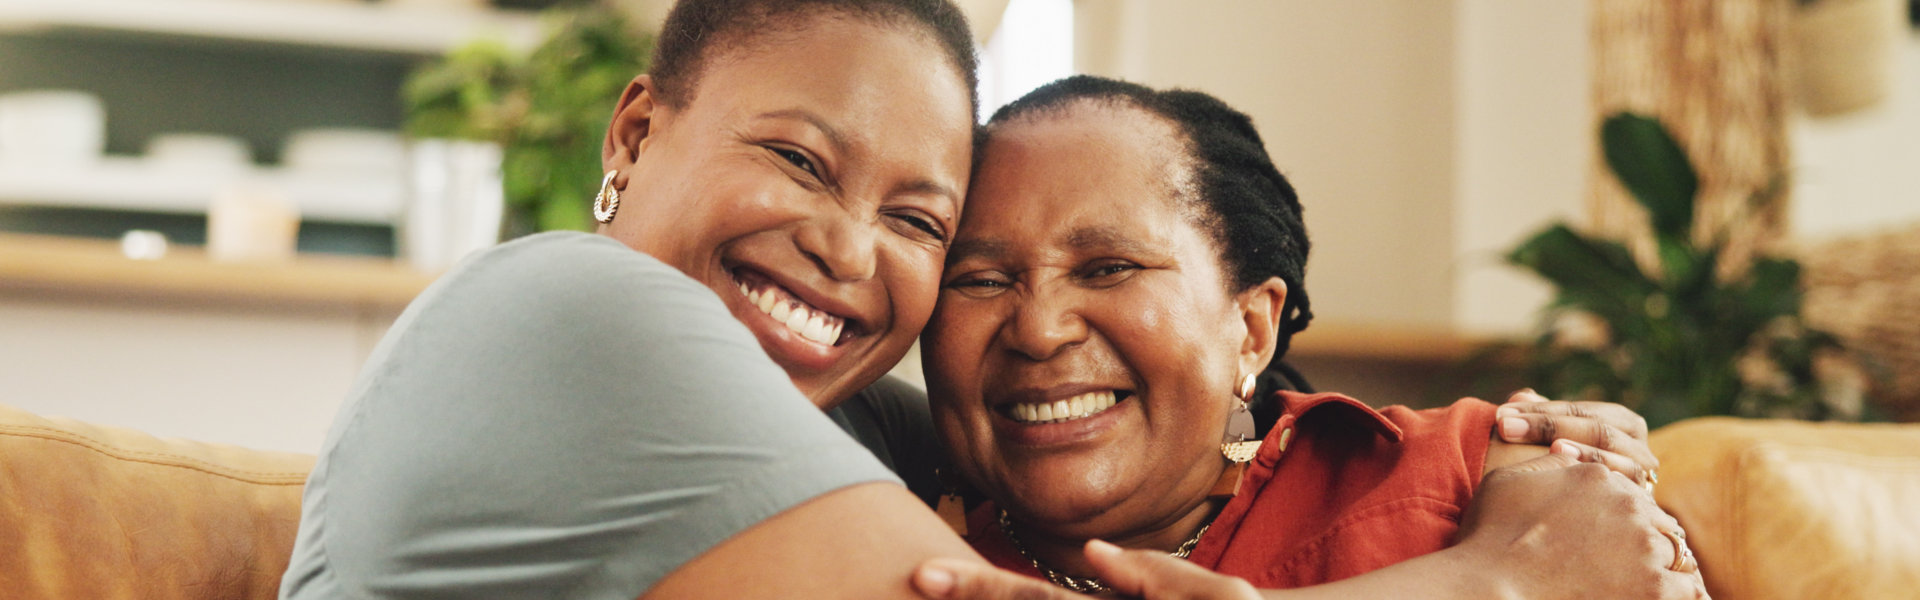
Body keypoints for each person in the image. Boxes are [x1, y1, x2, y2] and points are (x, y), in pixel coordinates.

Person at [277, 1, 1675, 598]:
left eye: (916, 222)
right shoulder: (571, 314)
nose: (845, 249)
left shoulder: (862, 439)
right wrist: (1511, 577)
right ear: (634, 134)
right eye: (794, 158)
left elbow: (1126, 438)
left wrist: (1520, 456)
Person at [914, 76, 1706, 599]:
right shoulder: (898, 557)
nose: (1040, 328)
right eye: (980, 280)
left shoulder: (1475, 471)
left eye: (1109, 268)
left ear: (1252, 328)